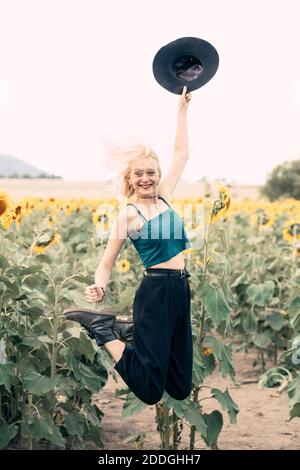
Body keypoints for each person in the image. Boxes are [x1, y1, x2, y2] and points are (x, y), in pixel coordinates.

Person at [64, 86, 193, 405]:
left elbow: (182, 154)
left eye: (151, 172)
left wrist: (181, 112)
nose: (146, 178)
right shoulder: (128, 215)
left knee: (179, 387)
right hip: (155, 293)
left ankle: (133, 332)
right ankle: (104, 329)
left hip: (180, 290)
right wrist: (99, 288)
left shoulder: (165, 197)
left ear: (158, 174)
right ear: (130, 178)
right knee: (150, 392)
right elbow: (107, 262)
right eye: (139, 174)